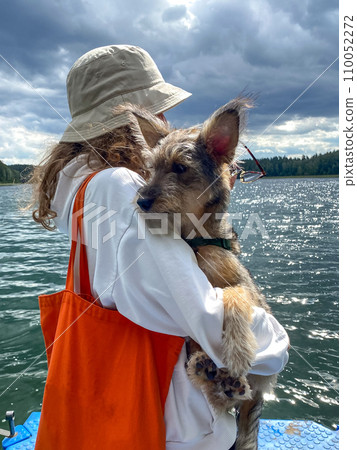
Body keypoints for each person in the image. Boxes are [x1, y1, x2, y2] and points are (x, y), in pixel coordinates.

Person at [32, 45, 289, 450]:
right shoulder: (119, 188)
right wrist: (276, 342)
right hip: (171, 425)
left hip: (109, 409)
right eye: (161, 112)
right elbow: (207, 320)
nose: (167, 123)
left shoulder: (78, 190)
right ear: (133, 122)